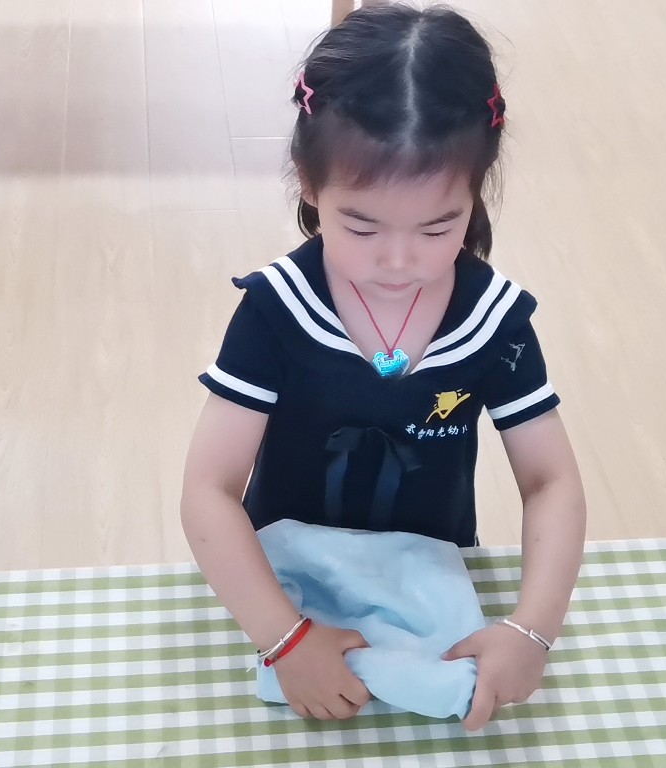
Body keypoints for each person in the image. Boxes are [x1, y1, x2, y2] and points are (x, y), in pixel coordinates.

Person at [181, 4, 586, 732]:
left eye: (438, 226)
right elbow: (209, 489)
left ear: (477, 193)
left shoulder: (494, 321)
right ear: (309, 185)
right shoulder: (278, 310)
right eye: (361, 225)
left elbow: (550, 479)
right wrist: (284, 639)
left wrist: (532, 630)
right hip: (279, 593)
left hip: (427, 593)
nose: (398, 261)